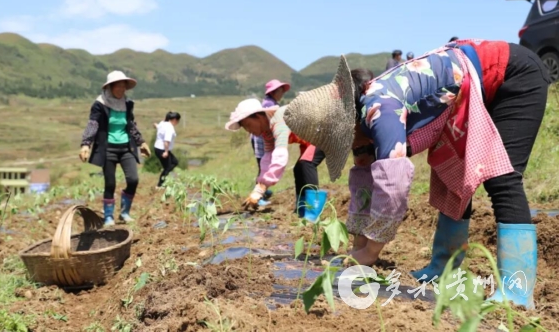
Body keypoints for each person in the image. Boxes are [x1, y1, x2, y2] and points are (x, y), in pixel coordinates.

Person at [284, 40, 550, 310]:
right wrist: (358, 246)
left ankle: (517, 291)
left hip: (510, 74)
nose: (348, 148)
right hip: (471, 87)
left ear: (348, 124)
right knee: (451, 175)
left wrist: (372, 251)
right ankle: (443, 268)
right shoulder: (361, 129)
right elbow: (364, 184)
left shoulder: (380, 108)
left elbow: (393, 185)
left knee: (502, 178)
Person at [225, 98, 328, 217]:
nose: (249, 131)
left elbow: (280, 157)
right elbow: (267, 159)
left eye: (248, 125)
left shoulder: (278, 122)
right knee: (299, 168)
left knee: (306, 165)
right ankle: (301, 210)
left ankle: (312, 213)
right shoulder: (266, 132)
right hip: (309, 140)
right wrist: (259, 187)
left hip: (325, 131)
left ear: (258, 116)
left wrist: (262, 188)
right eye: (245, 128)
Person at [79, 71, 151, 226]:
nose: (121, 89)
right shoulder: (100, 104)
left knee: (133, 179)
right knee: (110, 183)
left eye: (123, 86)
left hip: (126, 148)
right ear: (110, 87)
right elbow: (93, 124)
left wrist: (141, 142)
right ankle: (109, 217)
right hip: (108, 149)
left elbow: (131, 125)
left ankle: (124, 213)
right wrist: (86, 143)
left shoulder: (128, 104)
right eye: (117, 86)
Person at [250, 79, 291, 203]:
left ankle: (262, 191)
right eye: (280, 90)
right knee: (263, 166)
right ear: (273, 92)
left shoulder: (270, 102)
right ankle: (260, 195)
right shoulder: (269, 105)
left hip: (263, 138)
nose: (282, 93)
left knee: (264, 165)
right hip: (262, 139)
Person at [154, 111, 181, 187]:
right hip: (162, 149)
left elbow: (157, 126)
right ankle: (160, 185)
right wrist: (166, 152)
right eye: (178, 121)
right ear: (175, 120)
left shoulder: (163, 123)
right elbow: (166, 141)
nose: (177, 123)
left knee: (174, 162)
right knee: (168, 167)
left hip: (158, 148)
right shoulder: (170, 128)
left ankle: (163, 181)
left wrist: (155, 125)